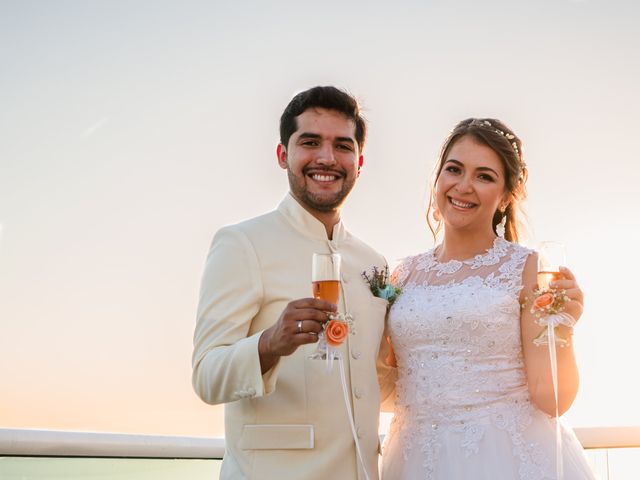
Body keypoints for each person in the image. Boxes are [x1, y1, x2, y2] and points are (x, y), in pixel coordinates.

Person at [192, 86, 395, 480]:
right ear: (283, 155)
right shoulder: (242, 243)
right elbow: (206, 376)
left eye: (342, 145)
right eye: (310, 142)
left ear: (359, 161)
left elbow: (375, 382)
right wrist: (269, 344)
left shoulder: (374, 263)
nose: (327, 158)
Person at [380, 118, 596, 479]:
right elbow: (384, 378)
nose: (464, 186)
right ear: (437, 180)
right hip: (413, 456)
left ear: (506, 197)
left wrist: (563, 328)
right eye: (454, 169)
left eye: (484, 176)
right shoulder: (402, 274)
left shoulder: (526, 267)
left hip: (507, 456)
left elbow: (553, 398)